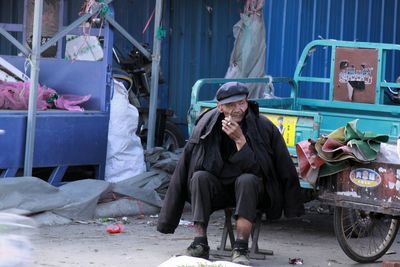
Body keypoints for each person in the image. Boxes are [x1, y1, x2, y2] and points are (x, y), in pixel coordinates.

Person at [157, 82, 304, 265]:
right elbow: (185, 166)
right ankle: (200, 244)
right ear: (219, 107)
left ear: (247, 102)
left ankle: (241, 248)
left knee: (247, 180)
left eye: (241, 103)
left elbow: (271, 169)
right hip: (218, 190)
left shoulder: (263, 126)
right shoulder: (206, 125)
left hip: (253, 192)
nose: (238, 110)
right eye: (230, 105)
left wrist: (241, 141)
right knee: (199, 177)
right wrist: (167, 219)